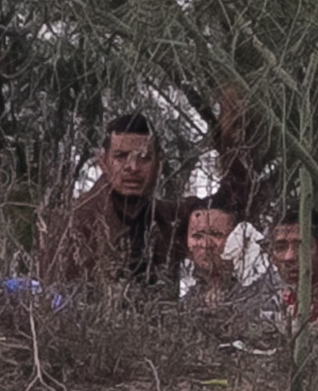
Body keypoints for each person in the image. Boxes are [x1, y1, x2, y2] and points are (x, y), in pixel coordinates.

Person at [38, 113, 185, 290]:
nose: (133, 167)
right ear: (103, 162)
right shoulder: (73, 221)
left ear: (158, 165)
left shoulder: (168, 219)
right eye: (121, 156)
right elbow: (54, 295)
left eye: (144, 157)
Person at [182, 196, 241, 301]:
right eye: (197, 236)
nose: (205, 244)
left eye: (216, 234)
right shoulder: (185, 304)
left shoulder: (259, 294)